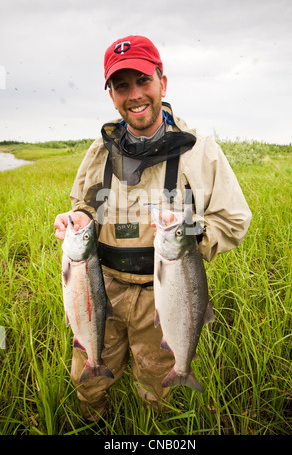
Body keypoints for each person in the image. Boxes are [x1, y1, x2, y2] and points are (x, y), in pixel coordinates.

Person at [54, 35, 252, 421]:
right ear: (111, 94)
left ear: (163, 81)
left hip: (165, 295)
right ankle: (91, 423)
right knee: (88, 380)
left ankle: (150, 429)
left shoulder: (200, 148)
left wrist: (189, 232)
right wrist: (77, 217)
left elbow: (234, 219)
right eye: (122, 85)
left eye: (143, 80)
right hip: (101, 288)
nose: (135, 94)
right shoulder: (100, 149)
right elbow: (84, 203)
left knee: (155, 388)